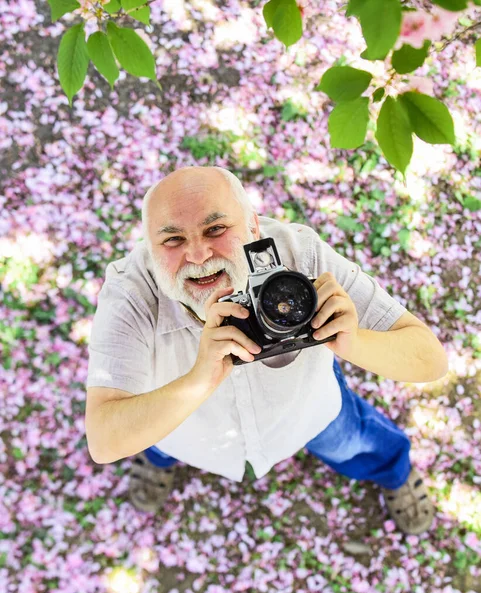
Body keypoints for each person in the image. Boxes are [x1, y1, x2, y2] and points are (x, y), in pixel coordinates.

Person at [85, 166, 448, 535]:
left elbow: (430, 358)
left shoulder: (301, 257)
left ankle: (393, 471)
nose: (197, 255)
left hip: (305, 411)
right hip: (183, 429)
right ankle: (158, 457)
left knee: (353, 440)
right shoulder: (130, 291)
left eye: (216, 229)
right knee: (156, 439)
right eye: (173, 240)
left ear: (254, 229)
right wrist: (199, 379)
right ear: (148, 248)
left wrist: (354, 341)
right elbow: (103, 440)